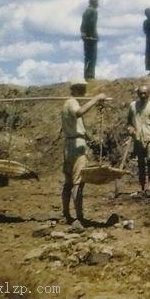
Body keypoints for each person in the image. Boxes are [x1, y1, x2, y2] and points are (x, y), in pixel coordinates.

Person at [61, 76, 107, 225]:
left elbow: (78, 124)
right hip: (75, 146)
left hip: (70, 143)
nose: (84, 90)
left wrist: (90, 138)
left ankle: (67, 214)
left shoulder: (69, 103)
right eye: (82, 88)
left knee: (68, 182)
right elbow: (79, 112)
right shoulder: (72, 102)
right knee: (77, 182)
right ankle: (79, 218)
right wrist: (96, 99)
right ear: (76, 89)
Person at [127, 85, 150, 195]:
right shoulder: (133, 106)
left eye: (144, 93)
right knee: (140, 163)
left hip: (149, 138)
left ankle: (149, 186)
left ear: (148, 94)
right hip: (137, 139)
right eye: (140, 93)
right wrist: (130, 128)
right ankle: (143, 186)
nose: (142, 95)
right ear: (138, 94)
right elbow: (129, 121)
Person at [80, 0, 99, 80]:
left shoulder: (86, 11)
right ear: (94, 3)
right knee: (92, 56)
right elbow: (91, 24)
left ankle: (87, 75)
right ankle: (90, 75)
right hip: (91, 36)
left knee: (87, 56)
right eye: (97, 2)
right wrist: (92, 35)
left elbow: (83, 24)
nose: (98, 4)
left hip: (87, 36)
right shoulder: (93, 11)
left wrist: (83, 33)